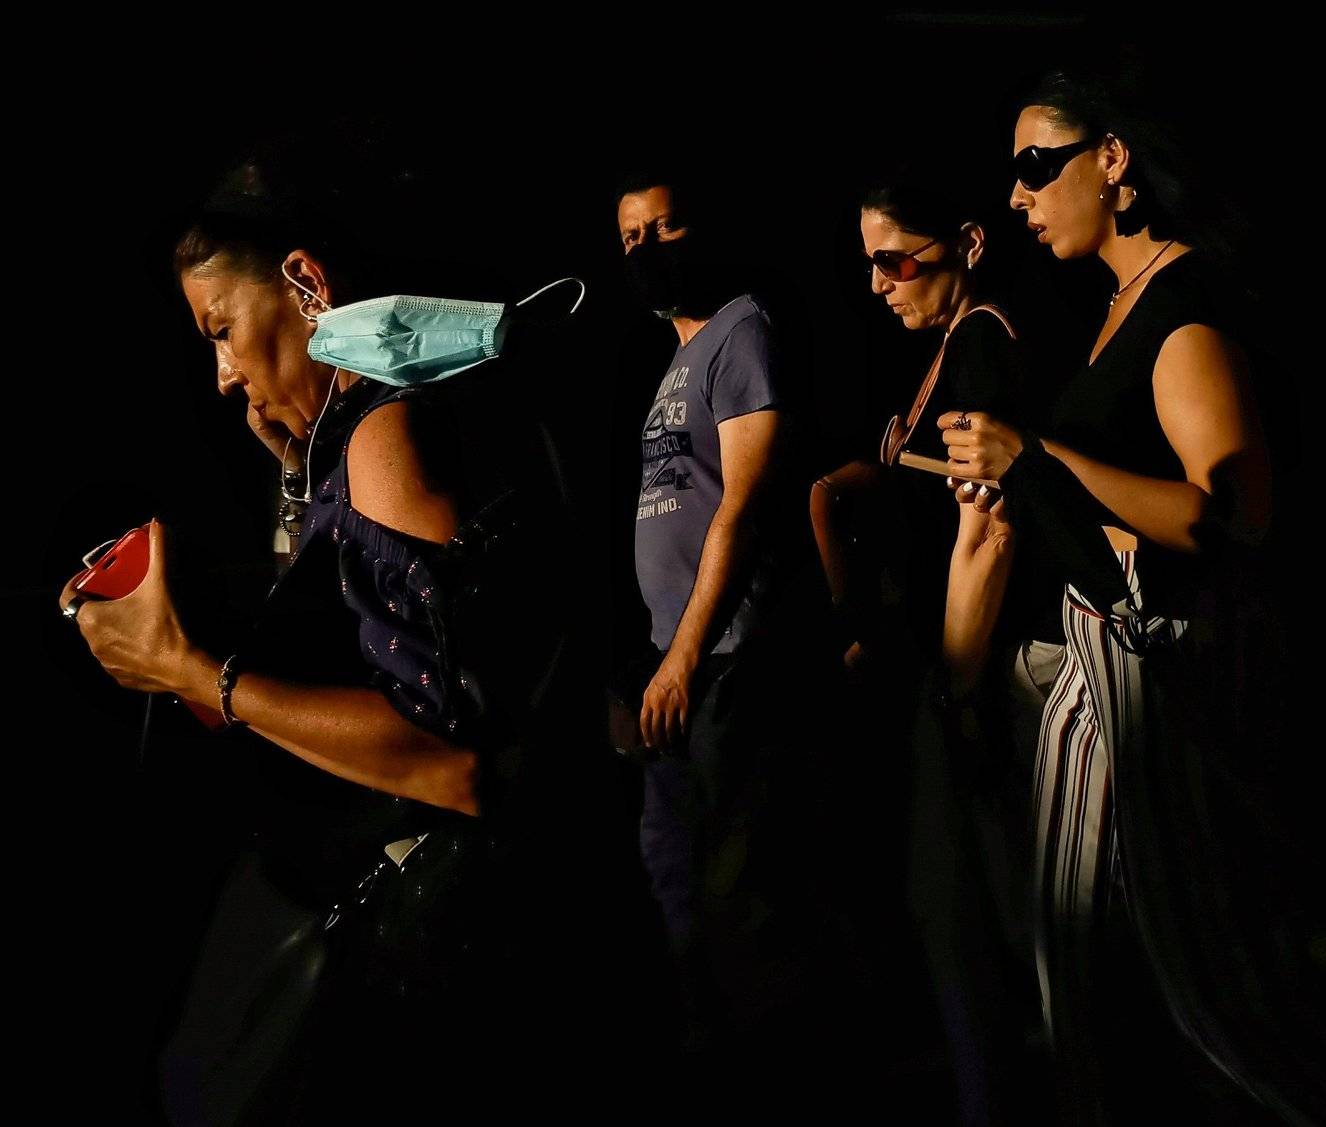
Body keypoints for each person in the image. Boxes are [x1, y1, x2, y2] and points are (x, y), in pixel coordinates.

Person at [58, 154, 607, 1120]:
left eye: (221, 330)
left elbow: (454, 761)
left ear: (306, 283)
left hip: (456, 963)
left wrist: (192, 669)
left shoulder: (384, 435)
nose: (223, 375)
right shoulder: (388, 423)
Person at [938, 68, 1311, 1121]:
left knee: (1206, 990)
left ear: (1111, 160)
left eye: (1036, 165)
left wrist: (1037, 457)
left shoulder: (1181, 308)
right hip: (1103, 652)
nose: (1019, 195)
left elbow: (1227, 514)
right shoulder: (1121, 304)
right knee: (1085, 962)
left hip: (1161, 664)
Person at [849, 167, 1059, 1123]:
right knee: (972, 914)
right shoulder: (952, 350)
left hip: (989, 673)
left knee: (984, 915)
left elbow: (990, 534)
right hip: (957, 669)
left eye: (895, 260)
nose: (880, 282)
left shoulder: (982, 345)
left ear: (968, 244)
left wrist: (957, 691)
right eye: (870, 264)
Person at [615, 170, 829, 1084]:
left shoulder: (741, 328)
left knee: (742, 890)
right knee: (673, 871)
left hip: (729, 656)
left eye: (663, 228)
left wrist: (687, 656)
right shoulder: (676, 357)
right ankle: (713, 1067)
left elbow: (744, 502)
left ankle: (776, 1071)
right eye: (630, 237)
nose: (647, 249)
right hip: (678, 662)